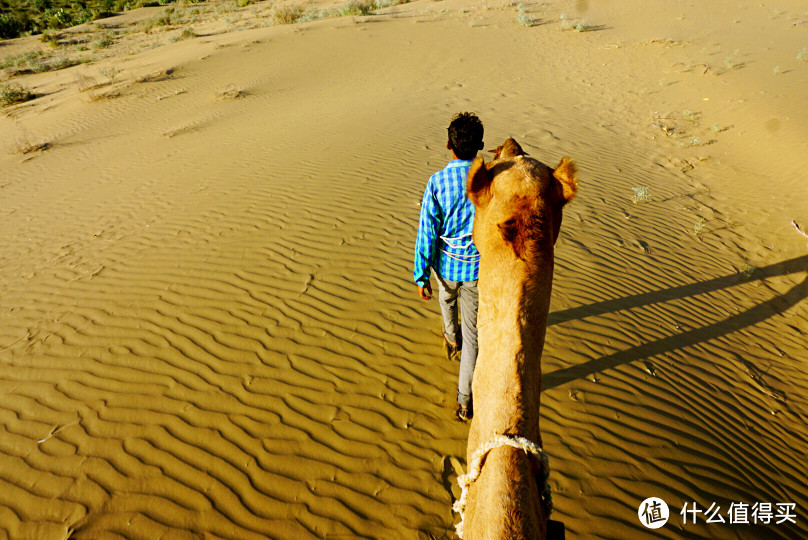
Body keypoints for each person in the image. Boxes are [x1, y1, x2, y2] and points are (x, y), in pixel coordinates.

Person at [413, 112, 484, 422]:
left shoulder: (437, 182)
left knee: (445, 300)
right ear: (480, 145)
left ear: (448, 145)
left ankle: (449, 336)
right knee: (473, 338)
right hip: (477, 272)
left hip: (444, 268)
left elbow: (426, 229)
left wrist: (421, 274)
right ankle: (465, 401)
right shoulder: (489, 179)